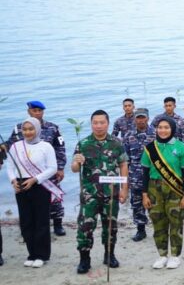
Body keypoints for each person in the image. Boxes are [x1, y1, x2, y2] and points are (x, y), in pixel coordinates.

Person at [71, 110, 128, 274]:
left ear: (108, 123)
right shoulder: (83, 144)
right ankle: (84, 259)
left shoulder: (116, 143)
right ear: (91, 124)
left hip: (111, 193)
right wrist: (77, 161)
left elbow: (123, 165)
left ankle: (109, 255)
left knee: (110, 225)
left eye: (102, 122)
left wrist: (124, 188)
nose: (99, 126)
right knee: (85, 226)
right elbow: (74, 169)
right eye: (95, 123)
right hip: (89, 194)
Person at [4, 101, 67, 236]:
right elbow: (11, 145)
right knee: (29, 201)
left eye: (40, 110)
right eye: (34, 110)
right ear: (29, 111)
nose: (37, 113)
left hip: (49, 169)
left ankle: (58, 224)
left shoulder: (53, 128)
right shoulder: (20, 128)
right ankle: (30, 226)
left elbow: (60, 148)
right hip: (27, 170)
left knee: (54, 196)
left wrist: (60, 168)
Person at [6, 117, 61, 268]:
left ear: (37, 129)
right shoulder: (16, 146)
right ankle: (31, 253)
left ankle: (42, 256)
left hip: (40, 185)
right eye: (25, 129)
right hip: (21, 186)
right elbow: (9, 167)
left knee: (41, 221)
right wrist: (13, 181)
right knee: (26, 221)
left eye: (31, 129)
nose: (28, 132)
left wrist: (35, 179)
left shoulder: (46, 146)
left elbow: (52, 168)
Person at [141, 116, 184, 269]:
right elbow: (144, 173)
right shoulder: (150, 148)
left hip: (175, 190)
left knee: (176, 223)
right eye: (160, 127)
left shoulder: (181, 147)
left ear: (172, 129)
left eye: (166, 127)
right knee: (158, 222)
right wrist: (144, 195)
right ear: (156, 129)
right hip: (153, 189)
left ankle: (175, 256)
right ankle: (162, 255)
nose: (163, 130)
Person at [122, 108, 156, 242]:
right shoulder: (128, 135)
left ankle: (159, 230)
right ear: (134, 119)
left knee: (155, 203)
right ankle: (140, 230)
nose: (141, 120)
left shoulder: (155, 134)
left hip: (153, 175)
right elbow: (124, 160)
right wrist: (125, 181)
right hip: (135, 175)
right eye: (138, 118)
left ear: (147, 118)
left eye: (143, 117)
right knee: (136, 205)